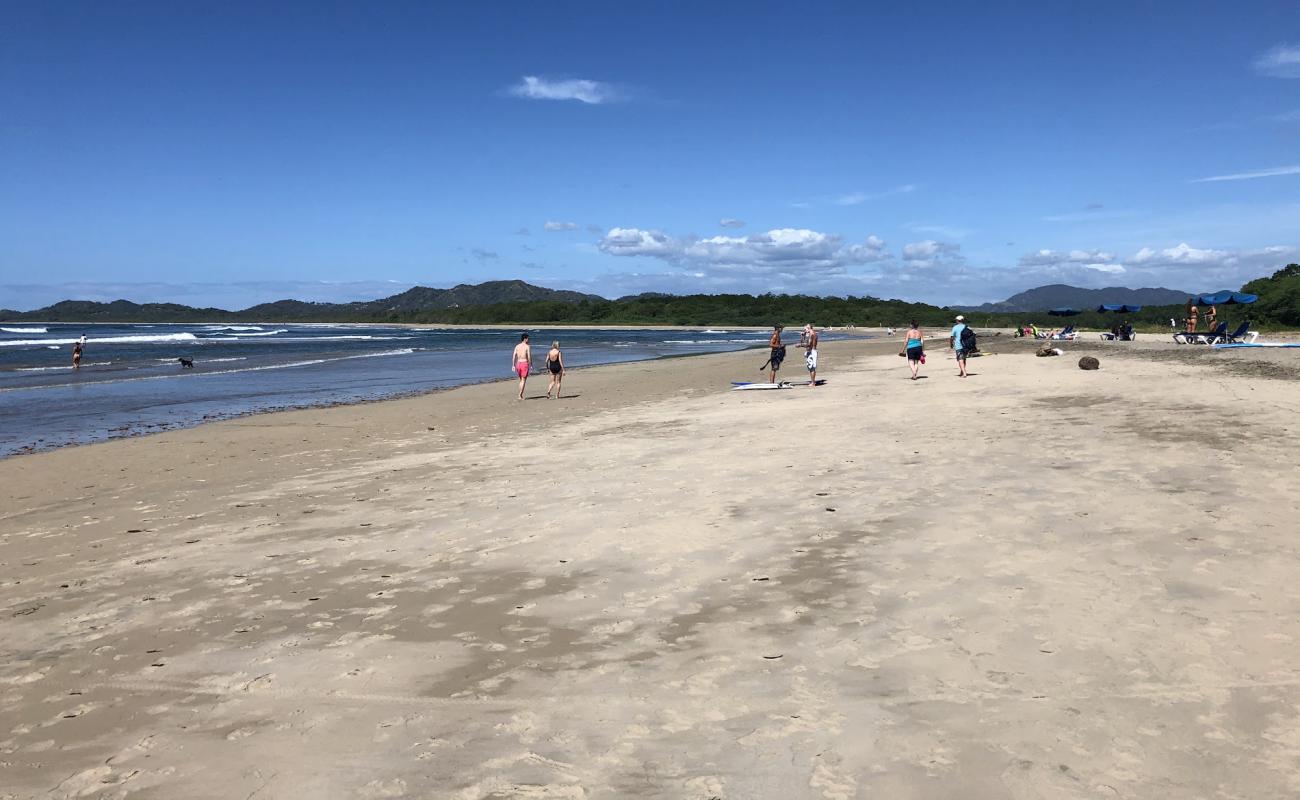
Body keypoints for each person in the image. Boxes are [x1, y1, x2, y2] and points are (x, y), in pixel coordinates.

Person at [511, 333, 532, 399]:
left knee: (521, 380)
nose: (528, 340)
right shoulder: (527, 346)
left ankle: (520, 394)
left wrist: (513, 365)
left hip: (518, 363)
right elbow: (529, 356)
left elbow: (514, 356)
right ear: (525, 339)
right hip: (524, 363)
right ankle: (520, 395)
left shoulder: (517, 346)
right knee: (523, 380)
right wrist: (531, 364)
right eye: (528, 338)